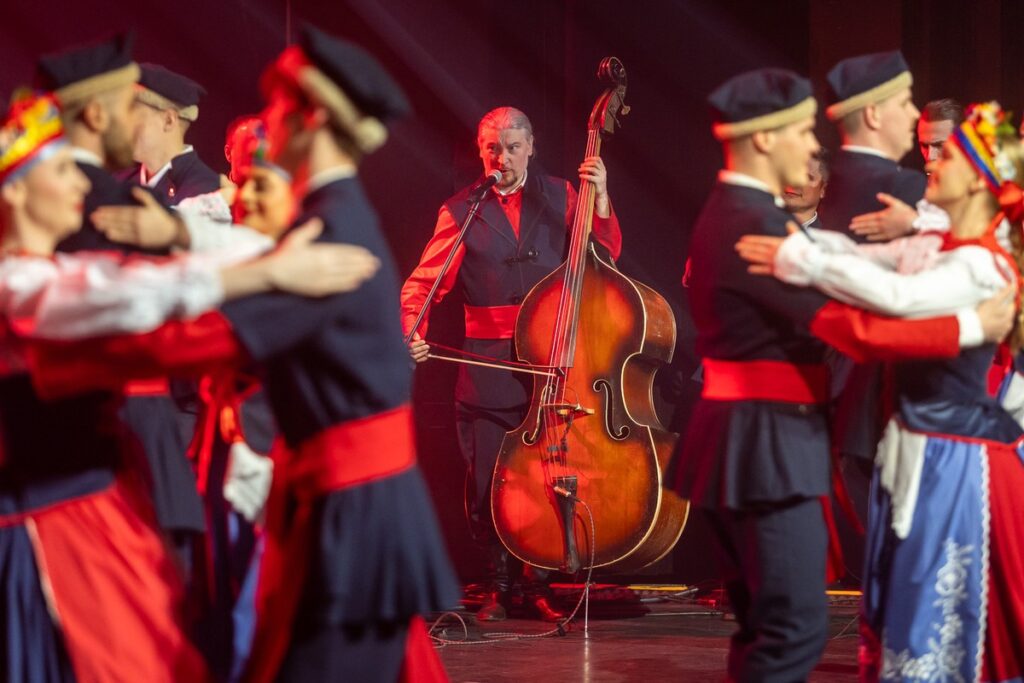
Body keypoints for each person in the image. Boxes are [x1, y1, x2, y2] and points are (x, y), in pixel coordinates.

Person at [45, 26, 461, 683]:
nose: (264, 127)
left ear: (313, 119)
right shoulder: (325, 219)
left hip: (355, 513)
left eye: (277, 111)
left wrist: (61, 351)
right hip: (336, 501)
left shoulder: (331, 230)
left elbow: (201, 339)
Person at [0, 91, 379, 683]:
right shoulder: (18, 285)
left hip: (99, 515)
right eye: (62, 172)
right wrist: (271, 275)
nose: (82, 184)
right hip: (45, 531)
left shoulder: (50, 270)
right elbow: (137, 309)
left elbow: (129, 282)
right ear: (15, 191)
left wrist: (264, 264)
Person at [676, 68, 1014, 682]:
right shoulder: (754, 221)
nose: (814, 147)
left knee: (775, 627)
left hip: (763, 438)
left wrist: (892, 242)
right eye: (803, 131)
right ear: (763, 140)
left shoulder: (753, 214)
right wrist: (968, 328)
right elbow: (850, 322)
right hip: (763, 442)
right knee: (791, 628)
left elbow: (862, 277)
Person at [400, 105, 621, 622]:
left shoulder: (565, 194)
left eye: (513, 147)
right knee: (490, 478)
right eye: (492, 149)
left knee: (549, 471)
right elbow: (423, 284)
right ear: (481, 152)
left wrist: (603, 197)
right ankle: (498, 584)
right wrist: (410, 331)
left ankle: (537, 583)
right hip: (487, 361)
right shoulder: (461, 210)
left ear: (531, 146)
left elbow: (605, 257)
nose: (503, 157)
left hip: (554, 355)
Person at [128, 63, 221, 204]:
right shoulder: (119, 180)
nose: (121, 124)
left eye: (131, 113)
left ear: (169, 121)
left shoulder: (207, 192)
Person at [783, 149, 829, 228]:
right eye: (790, 173)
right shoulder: (758, 225)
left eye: (807, 177)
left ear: (823, 189)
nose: (795, 182)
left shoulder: (828, 238)